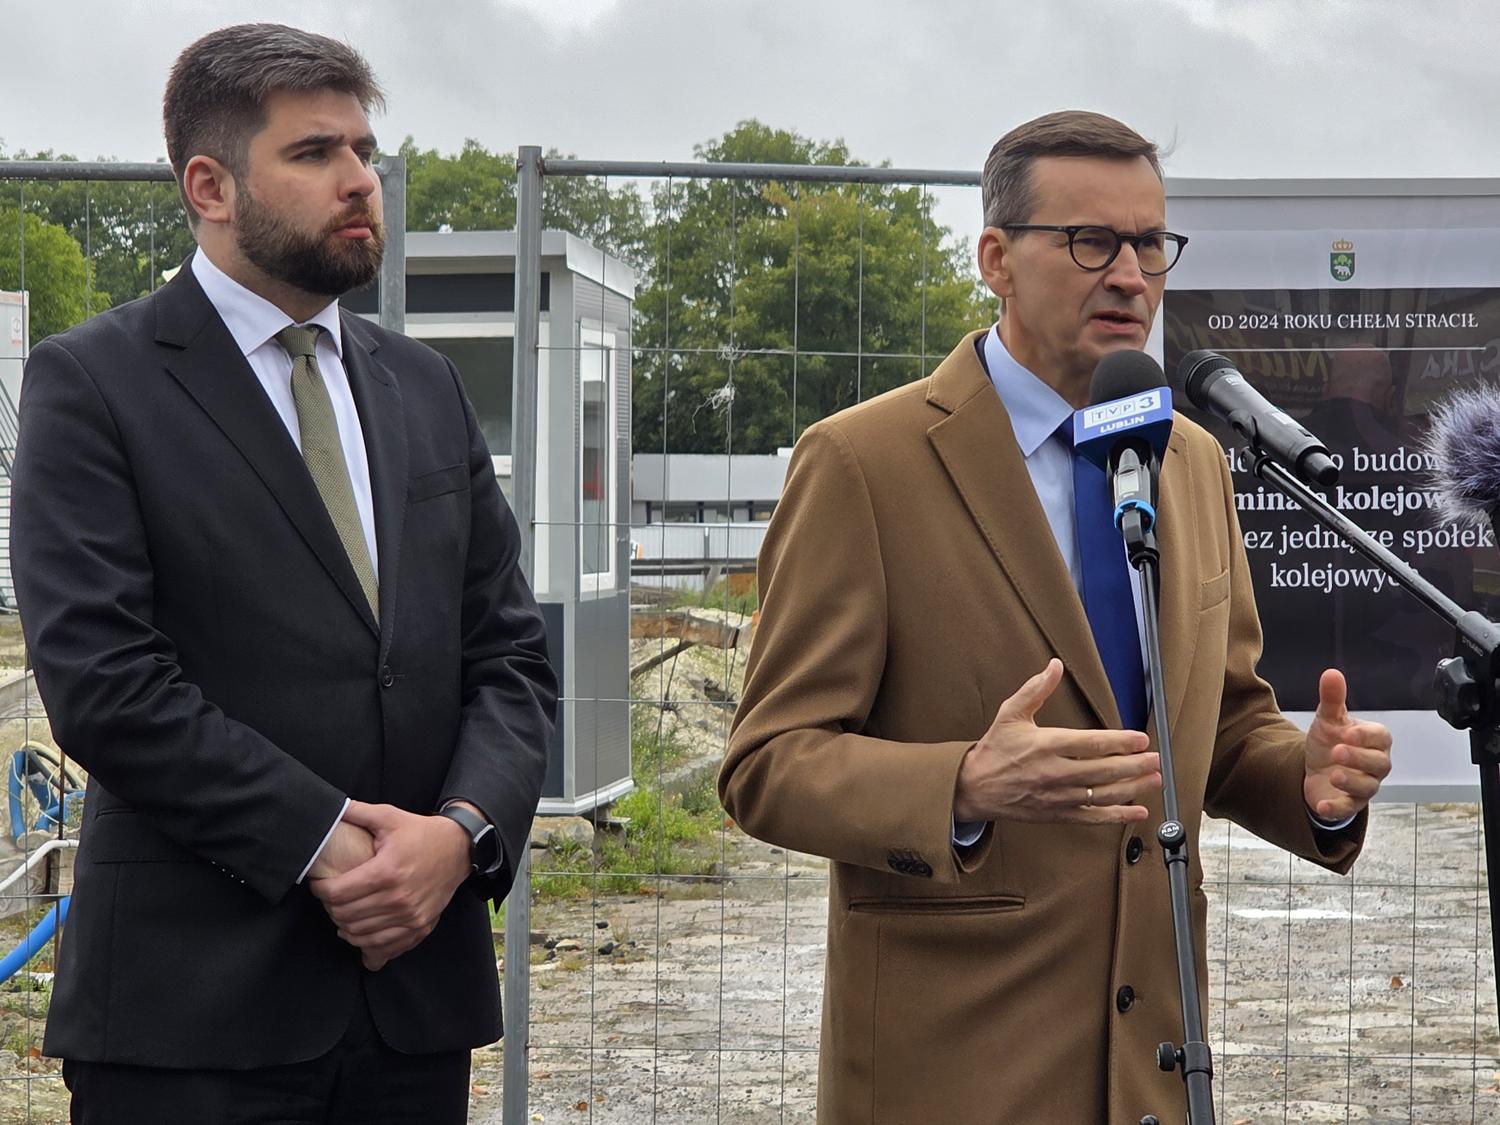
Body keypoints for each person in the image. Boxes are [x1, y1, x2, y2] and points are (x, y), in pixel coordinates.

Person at [720, 111, 1394, 1123]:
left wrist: (1309, 783)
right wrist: (962, 783)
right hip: (951, 1073)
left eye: (1149, 244)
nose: (1129, 275)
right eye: (1090, 242)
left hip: (1153, 1073)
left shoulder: (1193, 463)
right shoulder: (863, 465)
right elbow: (767, 764)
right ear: (996, 258)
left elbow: (1220, 729)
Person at [11, 23, 556, 1124]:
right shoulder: (94, 385)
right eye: (314, 153)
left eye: (363, 150)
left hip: (412, 1007)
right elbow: (106, 685)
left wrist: (459, 836)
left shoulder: (424, 387)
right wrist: (328, 843)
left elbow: (510, 655)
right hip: (191, 1021)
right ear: (208, 186)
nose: (359, 180)